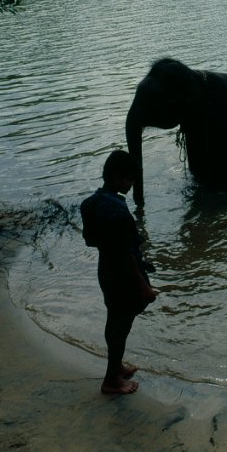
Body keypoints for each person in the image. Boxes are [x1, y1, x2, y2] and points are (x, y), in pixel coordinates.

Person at [80, 149, 158, 395]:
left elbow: (90, 240)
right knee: (121, 325)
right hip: (124, 275)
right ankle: (111, 380)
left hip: (106, 271)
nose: (131, 184)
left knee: (114, 319)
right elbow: (125, 256)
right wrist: (144, 288)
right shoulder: (119, 213)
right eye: (129, 180)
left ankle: (116, 367)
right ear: (117, 177)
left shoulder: (91, 203)